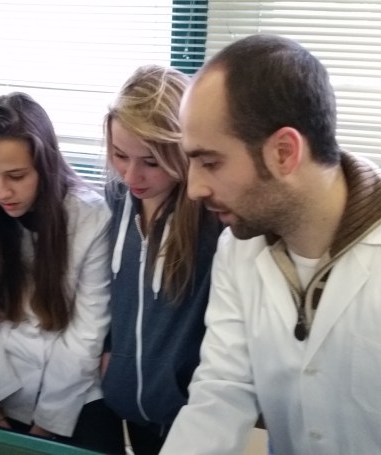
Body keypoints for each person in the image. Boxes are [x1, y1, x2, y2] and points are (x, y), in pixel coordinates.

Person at [162, 34, 381, 454]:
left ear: (284, 153)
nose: (194, 188)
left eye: (211, 163)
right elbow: (221, 391)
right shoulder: (238, 251)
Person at [0, 92, 123, 452]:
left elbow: (87, 333)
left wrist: (46, 424)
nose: (2, 192)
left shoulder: (90, 216)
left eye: (16, 175)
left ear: (45, 165)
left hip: (75, 397)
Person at [99, 65, 221, 454]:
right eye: (120, 155)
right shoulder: (112, 201)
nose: (131, 175)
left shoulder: (213, 222)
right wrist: (107, 352)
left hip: (185, 413)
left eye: (151, 162)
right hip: (123, 403)